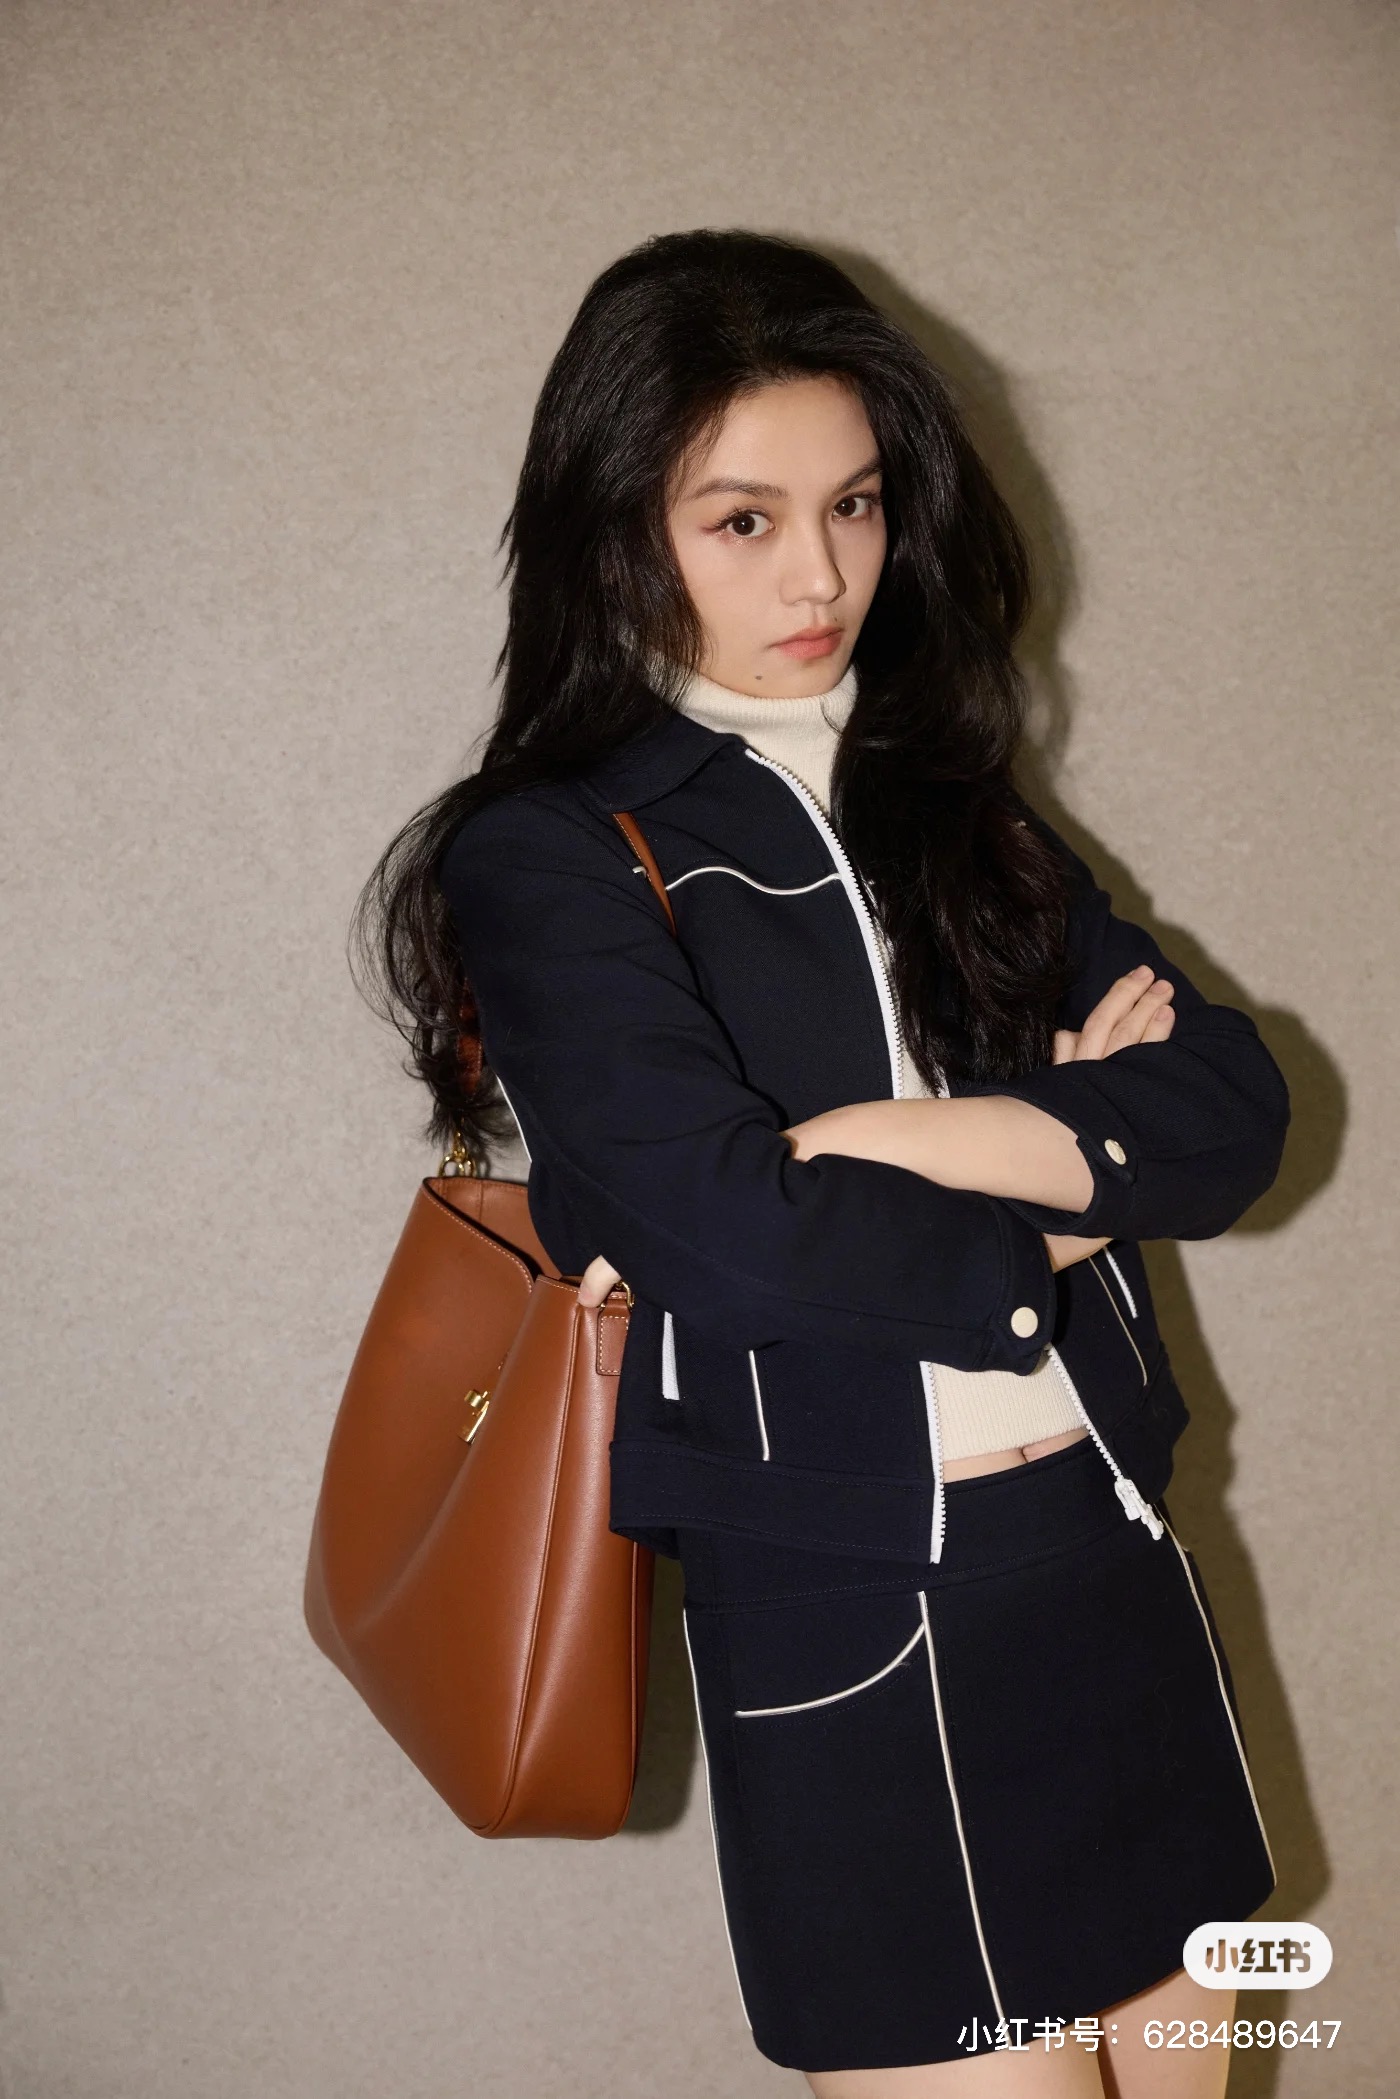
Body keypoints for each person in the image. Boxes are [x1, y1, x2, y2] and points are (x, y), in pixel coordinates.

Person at [356, 230, 1290, 2097]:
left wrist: (900, 1140)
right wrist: (1060, 1212)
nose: (820, 575)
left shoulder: (952, 797)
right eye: (744, 521)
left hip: (1107, 1544)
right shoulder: (549, 851)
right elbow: (720, 1230)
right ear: (614, 529)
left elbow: (1232, 1107)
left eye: (854, 505)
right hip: (854, 1604)